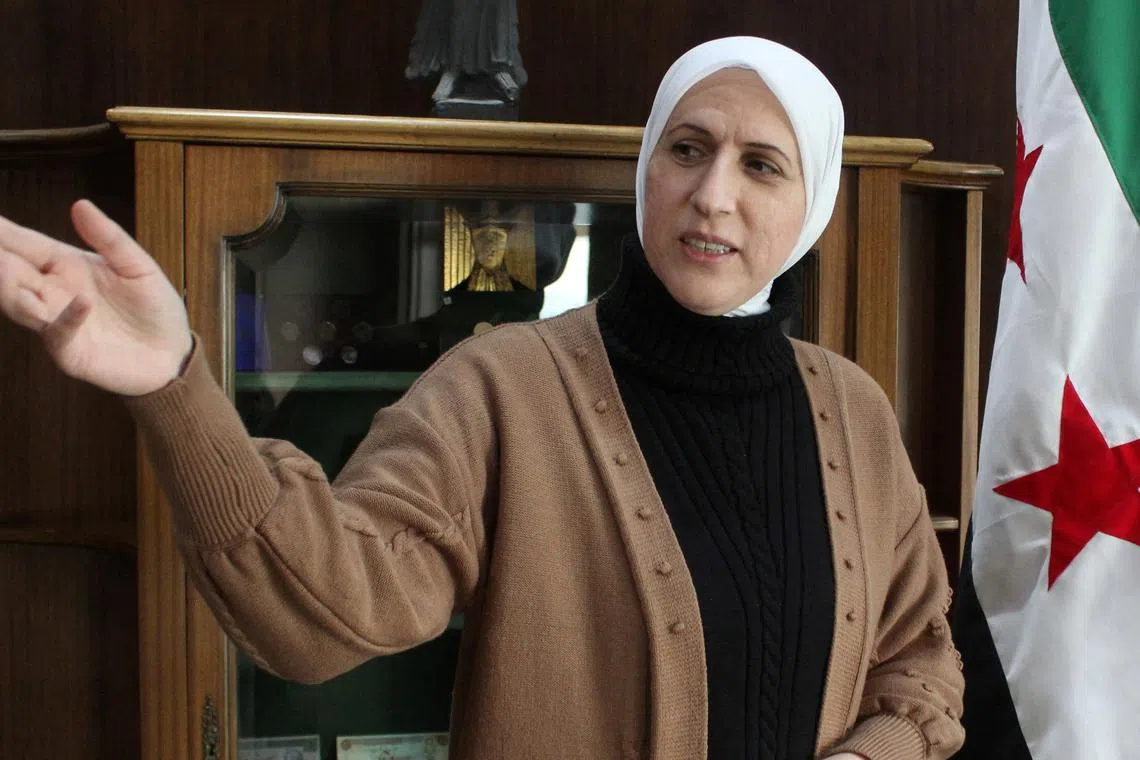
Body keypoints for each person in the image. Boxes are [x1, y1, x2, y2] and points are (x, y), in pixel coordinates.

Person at [0, 36, 964, 760]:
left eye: (762, 165)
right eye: (687, 149)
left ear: (816, 204)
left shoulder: (854, 412)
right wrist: (177, 386)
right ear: (646, 169)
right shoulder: (504, 385)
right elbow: (317, 613)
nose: (713, 195)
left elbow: (918, 657)